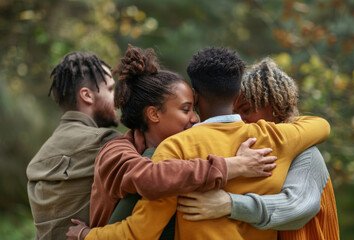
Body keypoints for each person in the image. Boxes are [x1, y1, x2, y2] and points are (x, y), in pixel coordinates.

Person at [68, 47, 330, 240]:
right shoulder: (277, 138)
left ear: (196, 96)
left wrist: (86, 236)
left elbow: (141, 231)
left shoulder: (176, 148)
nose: (190, 116)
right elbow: (321, 125)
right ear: (238, 93)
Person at [27, 50, 274, 240]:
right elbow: (151, 178)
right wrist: (232, 166)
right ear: (154, 114)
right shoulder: (115, 149)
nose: (195, 118)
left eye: (194, 109)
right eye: (186, 109)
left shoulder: (185, 147)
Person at [177, 58, 340, 239]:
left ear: (275, 107)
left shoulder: (306, 152)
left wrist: (231, 204)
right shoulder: (248, 146)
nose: (240, 119)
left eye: (246, 110)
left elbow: (297, 208)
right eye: (236, 112)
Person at [26, 52, 121, 239]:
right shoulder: (105, 141)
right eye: (110, 90)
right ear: (87, 95)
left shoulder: (40, 155)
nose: (117, 98)